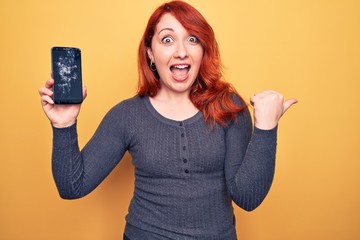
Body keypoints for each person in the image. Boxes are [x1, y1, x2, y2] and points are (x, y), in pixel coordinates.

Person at [39, 1, 297, 239]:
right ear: (150, 52)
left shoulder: (229, 107)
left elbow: (247, 197)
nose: (181, 52)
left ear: (203, 49)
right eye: (167, 40)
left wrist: (266, 127)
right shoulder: (127, 115)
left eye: (192, 39)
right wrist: (64, 125)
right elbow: (72, 186)